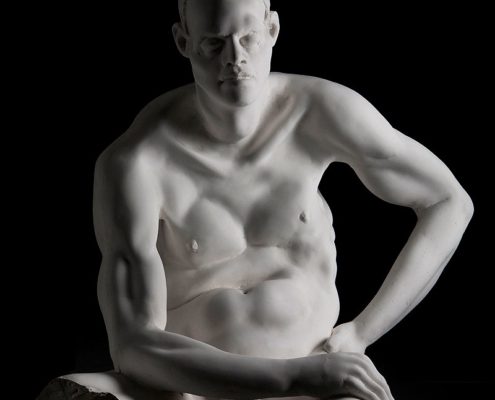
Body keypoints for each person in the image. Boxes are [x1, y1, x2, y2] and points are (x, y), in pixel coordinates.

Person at [40, 0, 473, 399]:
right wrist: (295, 377)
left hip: (316, 379)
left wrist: (361, 332)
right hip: (190, 391)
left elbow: (447, 201)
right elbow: (133, 345)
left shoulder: (321, 111)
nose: (235, 58)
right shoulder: (136, 163)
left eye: (248, 37)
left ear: (272, 28)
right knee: (72, 394)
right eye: (214, 42)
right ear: (182, 41)